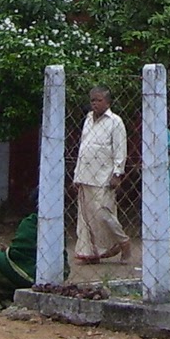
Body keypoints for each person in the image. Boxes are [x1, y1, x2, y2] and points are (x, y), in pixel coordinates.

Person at [72, 86, 129, 264]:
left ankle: (123, 242)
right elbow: (83, 147)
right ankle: (91, 253)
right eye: (92, 100)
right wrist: (76, 175)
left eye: (98, 100)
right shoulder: (88, 119)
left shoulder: (115, 122)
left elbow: (120, 149)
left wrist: (117, 173)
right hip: (85, 175)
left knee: (103, 213)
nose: (95, 104)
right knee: (85, 218)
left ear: (108, 102)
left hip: (103, 176)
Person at [0, 210, 56, 311]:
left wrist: (8, 251)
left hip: (27, 275)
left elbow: (18, 254)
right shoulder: (57, 223)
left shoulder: (30, 222)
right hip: (54, 276)